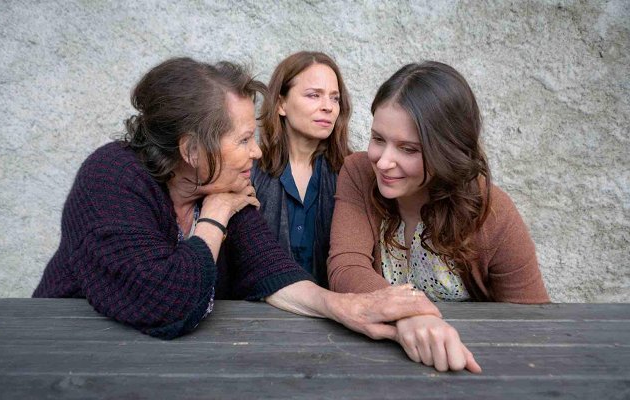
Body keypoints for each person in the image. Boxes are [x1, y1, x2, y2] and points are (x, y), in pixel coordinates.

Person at [33, 57, 440, 347]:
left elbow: (272, 271)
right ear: (193, 150)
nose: (257, 153)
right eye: (244, 140)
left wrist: (345, 307)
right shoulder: (112, 177)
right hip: (64, 351)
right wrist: (215, 216)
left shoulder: (221, 183)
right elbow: (168, 304)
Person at [329, 61, 550, 372]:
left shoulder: (491, 210)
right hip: (375, 363)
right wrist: (410, 312)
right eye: (378, 139)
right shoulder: (358, 172)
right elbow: (346, 266)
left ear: (446, 150)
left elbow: (532, 318)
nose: (383, 162)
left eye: (408, 149)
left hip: (466, 364)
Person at [252, 52, 351, 287]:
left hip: (334, 312)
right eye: (313, 95)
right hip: (258, 314)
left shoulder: (349, 173)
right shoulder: (251, 171)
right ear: (280, 104)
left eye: (335, 98)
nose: (328, 107)